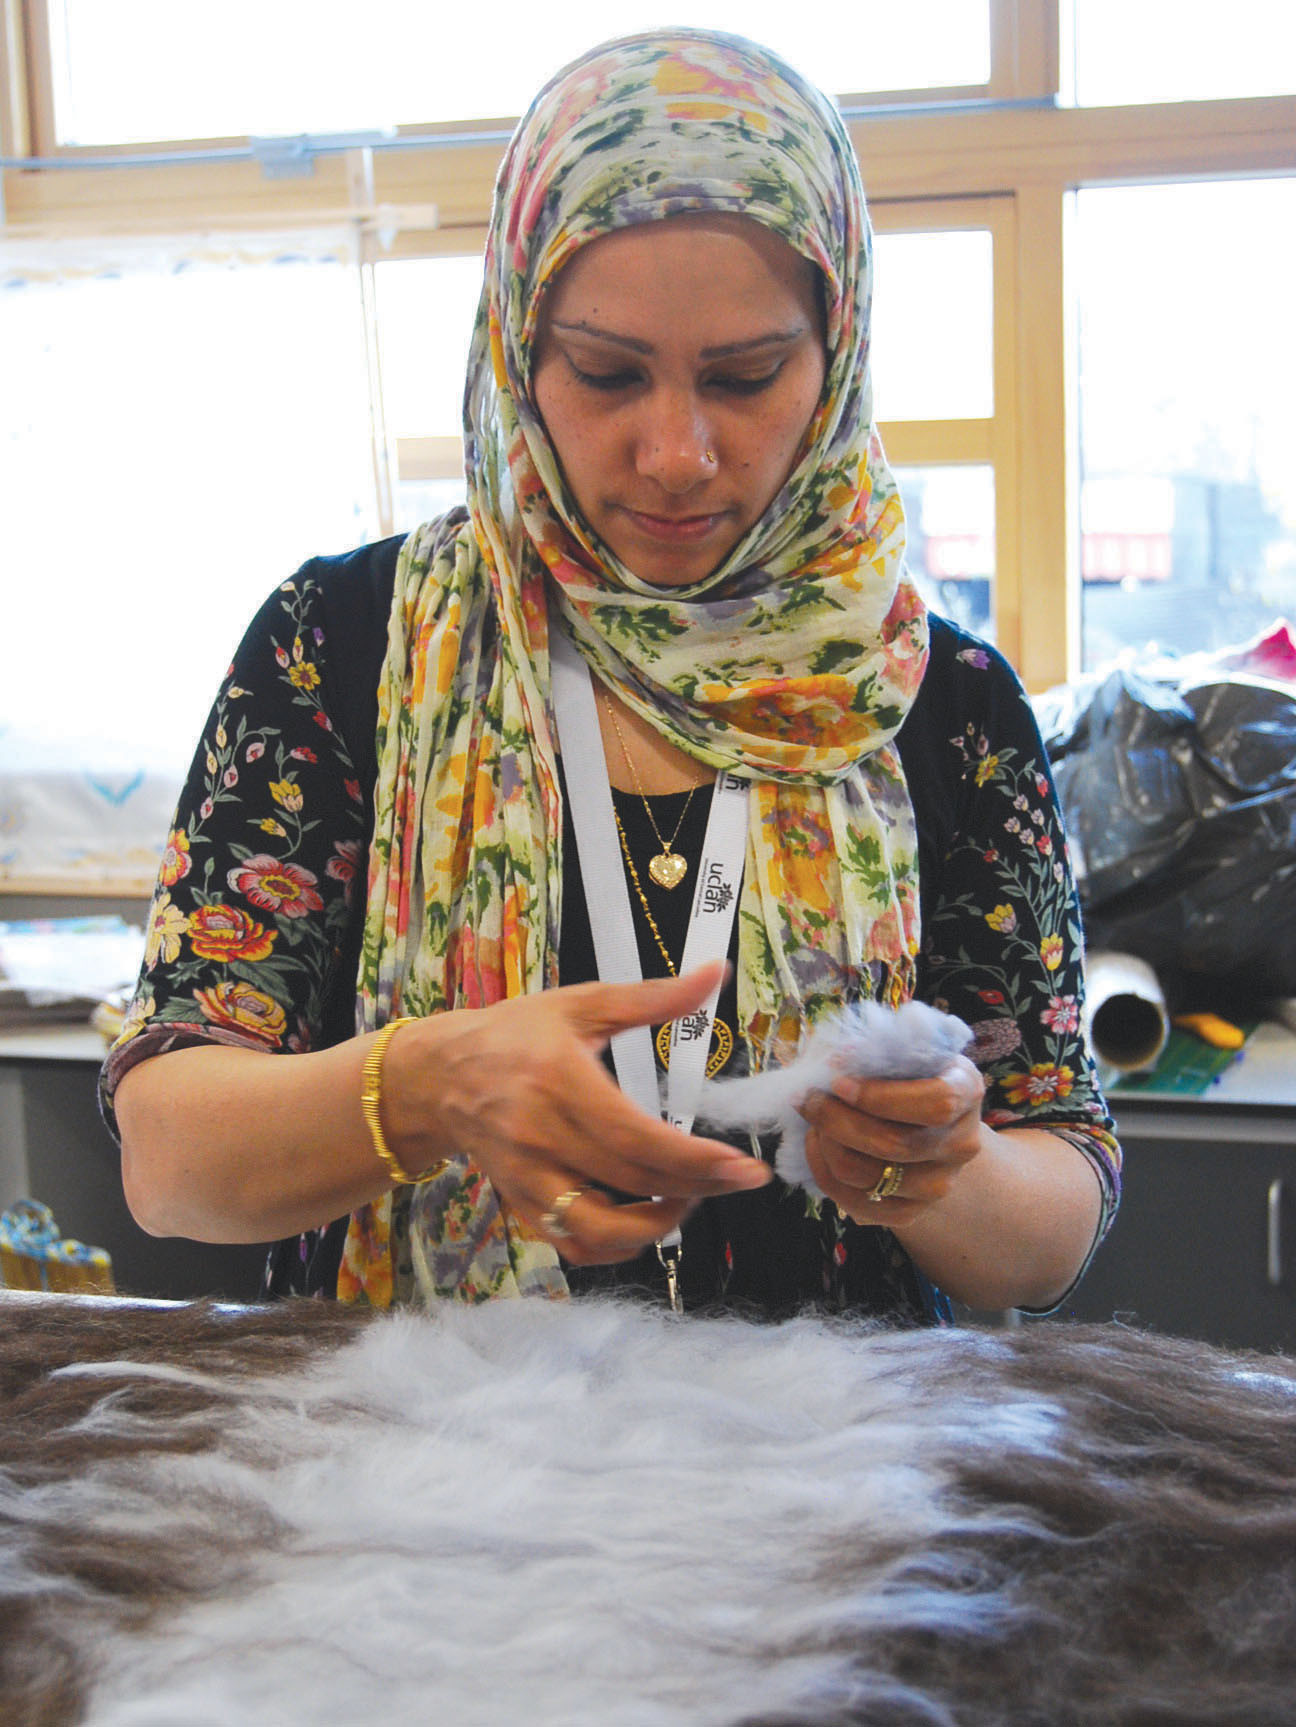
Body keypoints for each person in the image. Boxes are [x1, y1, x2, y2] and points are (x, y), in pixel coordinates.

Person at [102, 27, 1120, 1321]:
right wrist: (429, 1087)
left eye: (748, 377)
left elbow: (1051, 1224)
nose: (678, 453)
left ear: (840, 354)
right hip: (423, 1485)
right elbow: (175, 1164)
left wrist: (943, 1169)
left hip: (834, 1493)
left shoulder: (939, 697)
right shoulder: (341, 645)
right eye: (606, 373)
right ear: (518, 346)